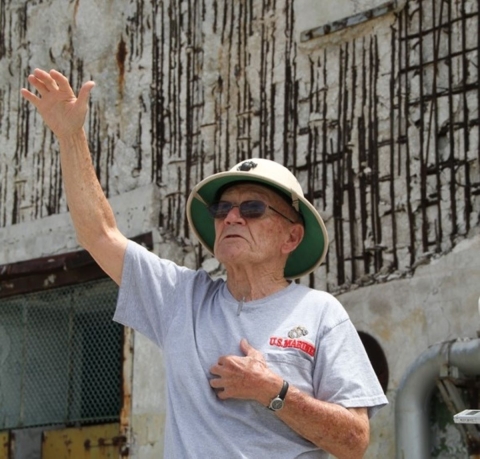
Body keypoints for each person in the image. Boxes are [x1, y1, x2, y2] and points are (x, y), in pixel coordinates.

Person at [21, 68, 388, 459]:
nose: (232, 217)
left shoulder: (320, 313)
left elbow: (354, 441)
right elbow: (98, 234)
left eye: (252, 208)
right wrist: (70, 135)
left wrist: (272, 392)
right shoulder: (181, 298)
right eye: (222, 208)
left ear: (291, 237)